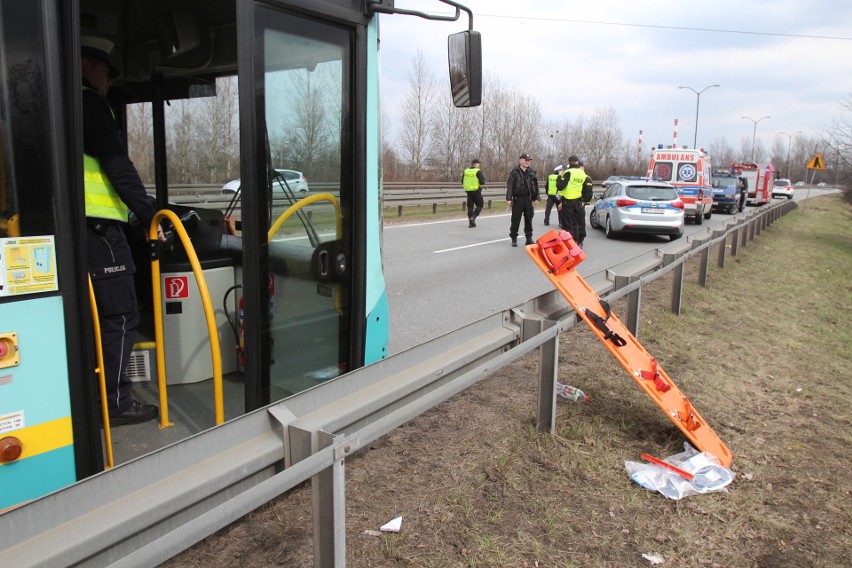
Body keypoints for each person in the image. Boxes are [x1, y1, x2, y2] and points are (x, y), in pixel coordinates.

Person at [82, 36, 160, 426]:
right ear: (85, 66)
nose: (109, 82)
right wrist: (150, 215)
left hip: (79, 231)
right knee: (120, 317)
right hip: (98, 233)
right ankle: (116, 403)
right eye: (106, 72)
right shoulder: (88, 103)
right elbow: (118, 167)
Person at [555, 157, 593, 246]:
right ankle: (577, 241)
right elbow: (587, 188)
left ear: (569, 162)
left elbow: (560, 186)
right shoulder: (582, 173)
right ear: (577, 162)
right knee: (576, 223)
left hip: (568, 201)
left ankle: (570, 244)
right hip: (578, 201)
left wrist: (559, 176)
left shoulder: (568, 172)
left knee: (568, 224)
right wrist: (585, 200)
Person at [505, 153, 540, 247]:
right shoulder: (515, 171)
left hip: (528, 199)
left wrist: (536, 197)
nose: (527, 162)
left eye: (528, 160)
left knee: (529, 219)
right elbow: (510, 185)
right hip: (518, 199)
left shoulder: (531, 172)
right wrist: (509, 198)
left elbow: (535, 185)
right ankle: (514, 238)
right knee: (516, 219)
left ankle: (529, 238)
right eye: (525, 160)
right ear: (520, 160)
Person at [461, 158, 486, 227]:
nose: (479, 165)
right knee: (480, 204)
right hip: (476, 191)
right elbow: (482, 182)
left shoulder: (466, 171)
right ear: (477, 164)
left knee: (470, 206)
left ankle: (471, 223)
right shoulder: (478, 171)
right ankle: (473, 217)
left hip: (468, 191)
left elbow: (462, 181)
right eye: (479, 164)